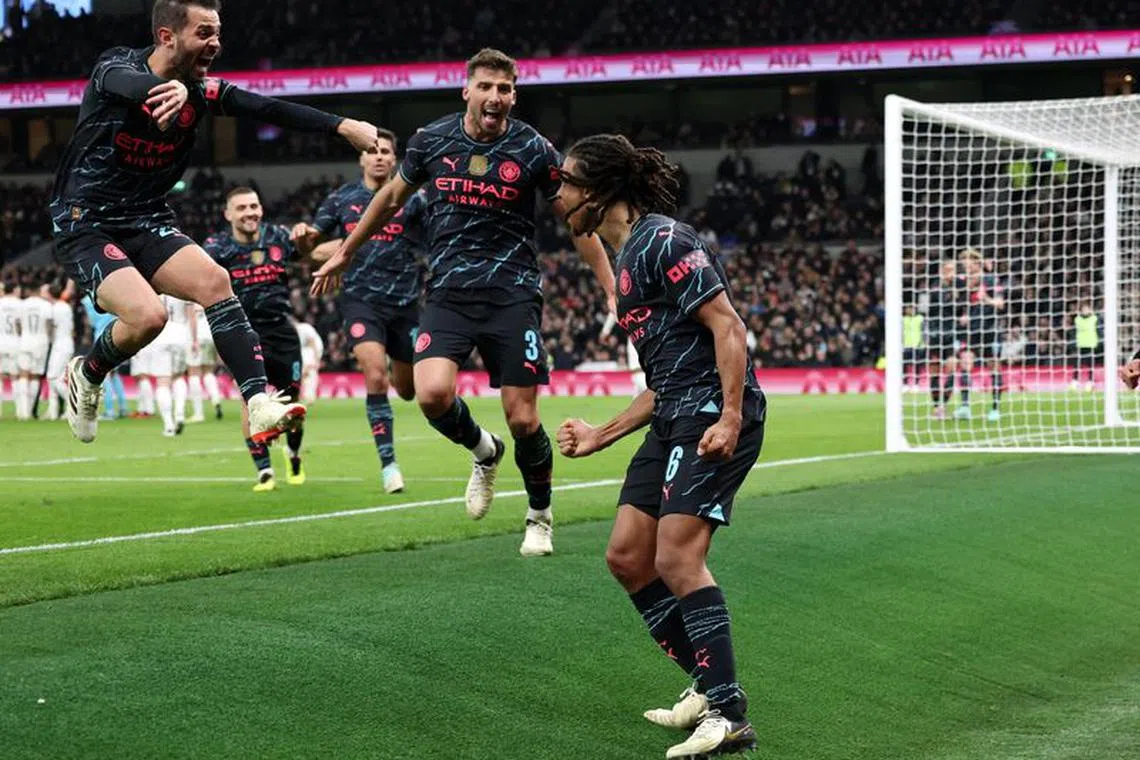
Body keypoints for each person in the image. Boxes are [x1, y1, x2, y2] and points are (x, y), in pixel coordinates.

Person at [313, 48, 617, 556]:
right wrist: (346, 251)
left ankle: (539, 516)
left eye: (504, 89)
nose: (495, 97)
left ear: (513, 96)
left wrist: (610, 284)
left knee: (523, 418)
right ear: (467, 90)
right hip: (449, 293)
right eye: (486, 87)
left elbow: (575, 221)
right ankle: (484, 450)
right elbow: (389, 200)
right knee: (431, 396)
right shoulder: (432, 141)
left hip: (512, 294)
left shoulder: (534, 149)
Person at [49, 0, 379, 444]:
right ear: (167, 37)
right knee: (149, 316)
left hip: (145, 218)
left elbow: (269, 109)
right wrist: (166, 88)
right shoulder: (114, 66)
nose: (216, 43)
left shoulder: (203, 89)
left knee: (215, 281)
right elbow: (127, 84)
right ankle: (88, 374)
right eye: (204, 32)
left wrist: (341, 125)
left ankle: (259, 403)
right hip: (84, 219)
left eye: (217, 32)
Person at [554, 134, 765, 759]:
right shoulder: (623, 262)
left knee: (676, 559)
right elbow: (662, 380)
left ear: (596, 191)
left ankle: (728, 714)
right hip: (673, 412)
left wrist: (728, 417)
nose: (559, 194)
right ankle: (707, 683)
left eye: (567, 182)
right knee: (626, 557)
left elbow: (729, 326)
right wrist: (602, 434)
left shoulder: (666, 241)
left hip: (711, 414)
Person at [293, 133, 427, 494]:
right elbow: (312, 248)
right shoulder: (341, 199)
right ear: (362, 160)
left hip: (404, 304)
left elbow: (435, 239)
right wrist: (304, 237)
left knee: (409, 389)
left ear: (395, 159)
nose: (379, 157)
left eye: (386, 152)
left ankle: (402, 386)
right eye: (372, 151)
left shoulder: (413, 201)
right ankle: (389, 466)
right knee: (374, 376)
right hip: (360, 302)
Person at [205, 187, 311, 491]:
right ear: (228, 214)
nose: (249, 212)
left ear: (261, 209)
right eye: (241, 208)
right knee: (250, 399)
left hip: (282, 331)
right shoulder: (216, 248)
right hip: (243, 333)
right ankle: (263, 469)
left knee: (291, 401)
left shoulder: (278, 236)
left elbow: (310, 254)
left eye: (253, 206)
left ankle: (293, 454)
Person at [955, 248, 1005, 422]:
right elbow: (958, 303)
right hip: (970, 331)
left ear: (976, 262)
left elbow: (1001, 304)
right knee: (965, 364)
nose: (965, 267)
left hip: (990, 330)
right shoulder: (962, 282)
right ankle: (964, 406)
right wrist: (962, 314)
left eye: (967, 264)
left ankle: (995, 409)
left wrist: (987, 300)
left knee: (994, 368)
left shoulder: (991, 279)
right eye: (963, 265)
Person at [81, 293, 128, 419]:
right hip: (115, 335)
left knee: (105, 375)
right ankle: (123, 408)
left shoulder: (87, 301)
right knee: (115, 374)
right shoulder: (111, 295)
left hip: (100, 338)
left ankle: (110, 410)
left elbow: (90, 322)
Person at [926, 259, 961, 420]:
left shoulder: (959, 286)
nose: (950, 273)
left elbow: (961, 306)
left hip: (951, 333)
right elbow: (937, 304)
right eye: (947, 270)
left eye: (952, 270)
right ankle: (935, 406)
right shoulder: (935, 286)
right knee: (934, 371)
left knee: (952, 368)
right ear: (942, 270)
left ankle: (943, 406)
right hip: (935, 332)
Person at [17, 280, 53, 420]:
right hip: (41, 342)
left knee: (23, 375)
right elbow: (49, 324)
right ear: (39, 291)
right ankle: (31, 410)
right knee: (35, 376)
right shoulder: (46, 305)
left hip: (25, 341)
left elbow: (18, 324)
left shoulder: (23, 304)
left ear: (27, 291)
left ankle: (23, 412)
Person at [44, 280, 77, 421]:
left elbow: (49, 326)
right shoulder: (64, 306)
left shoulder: (55, 308)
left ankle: (74, 406)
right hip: (65, 344)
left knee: (53, 378)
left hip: (61, 346)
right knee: (55, 378)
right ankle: (53, 411)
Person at [186, 301, 223, 421]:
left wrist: (194, 339)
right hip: (210, 334)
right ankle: (216, 399)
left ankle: (198, 412)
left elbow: (191, 317)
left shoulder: (188, 297)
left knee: (194, 374)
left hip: (195, 335)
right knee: (208, 372)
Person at [0, 280, 21, 418]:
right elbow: (20, 325)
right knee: (16, 377)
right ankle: (21, 411)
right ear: (13, 290)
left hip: (1, 341)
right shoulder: (20, 304)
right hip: (15, 342)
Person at [294, 319, 324, 405]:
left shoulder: (304, 328)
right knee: (304, 374)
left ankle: (309, 396)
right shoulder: (294, 332)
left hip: (313, 352)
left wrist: (316, 360)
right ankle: (303, 395)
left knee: (309, 373)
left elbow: (313, 343)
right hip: (306, 354)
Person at [1072, 301, 1098, 391]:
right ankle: (1075, 381)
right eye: (1084, 309)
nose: (1085, 311)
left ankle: (1090, 381)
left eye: (1087, 309)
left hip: (1091, 344)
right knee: (1077, 364)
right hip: (1081, 344)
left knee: (1090, 364)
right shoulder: (1078, 319)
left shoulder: (1094, 318)